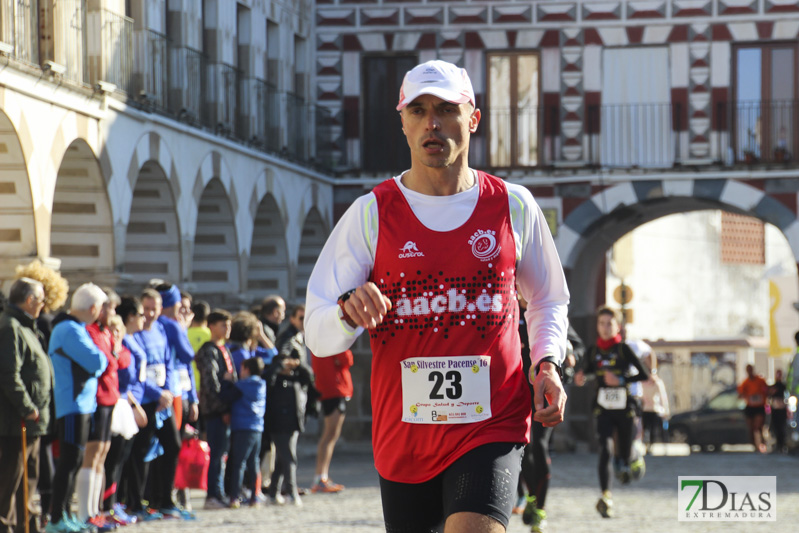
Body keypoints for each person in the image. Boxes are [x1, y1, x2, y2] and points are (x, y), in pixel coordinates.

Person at [305, 59, 569, 533]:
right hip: (404, 434)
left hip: (493, 422)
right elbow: (318, 334)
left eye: (447, 109)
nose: (433, 123)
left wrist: (547, 362)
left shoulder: (512, 205)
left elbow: (548, 297)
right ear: (402, 122)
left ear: (473, 118)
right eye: (419, 110)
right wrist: (347, 311)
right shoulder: (371, 214)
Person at [574, 306, 649, 519]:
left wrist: (621, 380)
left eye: (609, 324)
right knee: (605, 450)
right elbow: (587, 373)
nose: (605, 328)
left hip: (624, 409)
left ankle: (632, 454)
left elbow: (643, 373)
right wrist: (582, 378)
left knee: (622, 454)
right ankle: (606, 495)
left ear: (617, 326)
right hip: (602, 409)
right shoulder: (594, 351)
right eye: (601, 324)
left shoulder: (624, 349)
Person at [47, 283, 109, 533]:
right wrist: (103, 356)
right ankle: (55, 518)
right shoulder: (69, 329)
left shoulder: (76, 328)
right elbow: (97, 361)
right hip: (72, 403)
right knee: (69, 462)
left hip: (81, 403)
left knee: (73, 462)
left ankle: (64, 514)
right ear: (93, 308)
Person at [0, 278, 52, 533]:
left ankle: (27, 527)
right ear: (30, 300)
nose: (43, 306)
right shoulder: (10, 327)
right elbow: (10, 374)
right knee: (11, 482)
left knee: (28, 482)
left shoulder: (26, 326)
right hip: (16, 421)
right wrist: (27, 407)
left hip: (32, 421)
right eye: (41, 300)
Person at [128, 288, 181, 520]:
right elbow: (137, 370)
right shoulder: (135, 333)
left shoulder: (161, 329)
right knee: (141, 451)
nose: (150, 314)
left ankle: (165, 499)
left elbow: (169, 362)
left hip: (164, 398)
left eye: (154, 309)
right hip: (146, 399)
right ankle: (137, 502)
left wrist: (167, 391)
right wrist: (157, 393)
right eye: (146, 309)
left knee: (173, 445)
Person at [80, 288, 122, 532]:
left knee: (102, 454)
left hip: (109, 397)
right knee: (92, 454)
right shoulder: (92, 331)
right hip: (97, 398)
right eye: (110, 308)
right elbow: (105, 362)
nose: (113, 313)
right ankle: (86, 513)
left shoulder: (106, 332)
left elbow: (120, 360)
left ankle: (96, 511)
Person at [195, 310, 235, 509]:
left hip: (226, 408)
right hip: (215, 410)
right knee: (216, 454)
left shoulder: (224, 349)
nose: (227, 329)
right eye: (222, 325)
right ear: (211, 326)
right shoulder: (208, 350)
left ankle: (219, 493)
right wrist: (222, 407)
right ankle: (212, 495)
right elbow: (211, 384)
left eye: (228, 325)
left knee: (222, 454)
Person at [221, 357, 266, 508]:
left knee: (238, 463)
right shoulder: (262, 384)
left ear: (247, 369)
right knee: (254, 463)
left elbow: (226, 397)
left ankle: (234, 497)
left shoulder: (242, 385)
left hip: (242, 427)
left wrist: (226, 382)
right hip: (257, 428)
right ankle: (255, 497)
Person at [310, 349, 353, 494]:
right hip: (334, 388)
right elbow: (347, 359)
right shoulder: (332, 341)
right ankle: (320, 478)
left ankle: (322, 476)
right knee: (330, 435)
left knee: (330, 436)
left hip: (330, 388)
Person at [638, 345, 670, 450]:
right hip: (646, 409)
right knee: (645, 428)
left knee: (650, 429)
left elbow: (662, 397)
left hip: (653, 409)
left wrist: (665, 410)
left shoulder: (656, 382)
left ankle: (649, 446)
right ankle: (646, 445)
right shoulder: (642, 381)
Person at [738, 364, 769, 453]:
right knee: (751, 427)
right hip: (750, 407)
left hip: (759, 407)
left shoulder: (760, 381)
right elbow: (740, 394)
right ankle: (754, 445)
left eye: (750, 370)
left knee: (758, 427)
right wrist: (744, 395)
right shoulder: (745, 382)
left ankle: (762, 444)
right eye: (748, 370)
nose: (749, 372)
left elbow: (766, 390)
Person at [769, 369, 788, 454]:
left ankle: (782, 444)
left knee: (782, 427)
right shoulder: (773, 387)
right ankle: (777, 443)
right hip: (775, 409)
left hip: (782, 409)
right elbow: (770, 396)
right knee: (775, 427)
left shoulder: (784, 387)